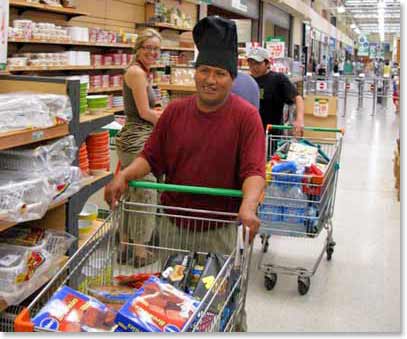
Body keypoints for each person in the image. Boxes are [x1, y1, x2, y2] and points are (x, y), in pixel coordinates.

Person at [105, 16, 266, 332]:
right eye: (204, 71)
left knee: (220, 306)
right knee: (171, 306)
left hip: (220, 232)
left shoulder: (247, 118)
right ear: (195, 73)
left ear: (231, 78)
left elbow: (253, 171)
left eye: (219, 73)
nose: (210, 79)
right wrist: (124, 175)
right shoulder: (176, 112)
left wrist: (248, 205)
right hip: (173, 228)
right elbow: (151, 157)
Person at [114, 28, 163, 266]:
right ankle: (140, 251)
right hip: (137, 140)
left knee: (132, 192)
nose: (152, 52)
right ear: (138, 48)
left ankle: (125, 247)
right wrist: (169, 120)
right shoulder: (136, 73)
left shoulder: (141, 72)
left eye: (156, 49)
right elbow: (144, 112)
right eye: (148, 48)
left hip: (135, 137)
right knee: (146, 191)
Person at [246, 47, 304, 136]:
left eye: (257, 64)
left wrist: (299, 120)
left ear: (267, 63)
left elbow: (298, 98)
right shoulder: (247, 80)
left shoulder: (278, 79)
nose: (253, 67)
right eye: (251, 64)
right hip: (250, 131)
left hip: (272, 133)